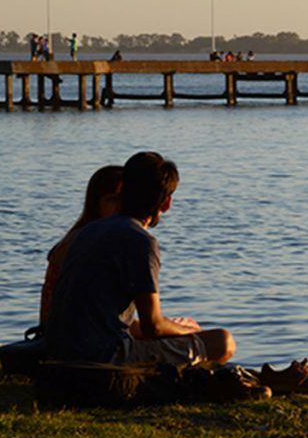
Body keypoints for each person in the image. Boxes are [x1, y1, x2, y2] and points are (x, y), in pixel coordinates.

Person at [46, 152, 234, 367]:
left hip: (58, 356)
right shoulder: (140, 241)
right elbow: (152, 326)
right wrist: (190, 333)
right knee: (222, 341)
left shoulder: (88, 232)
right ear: (166, 203)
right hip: (103, 359)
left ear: (123, 190)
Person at [40, 166, 124, 327]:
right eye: (113, 200)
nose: (120, 208)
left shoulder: (81, 236)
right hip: (77, 339)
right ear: (95, 204)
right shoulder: (90, 244)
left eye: (125, 201)